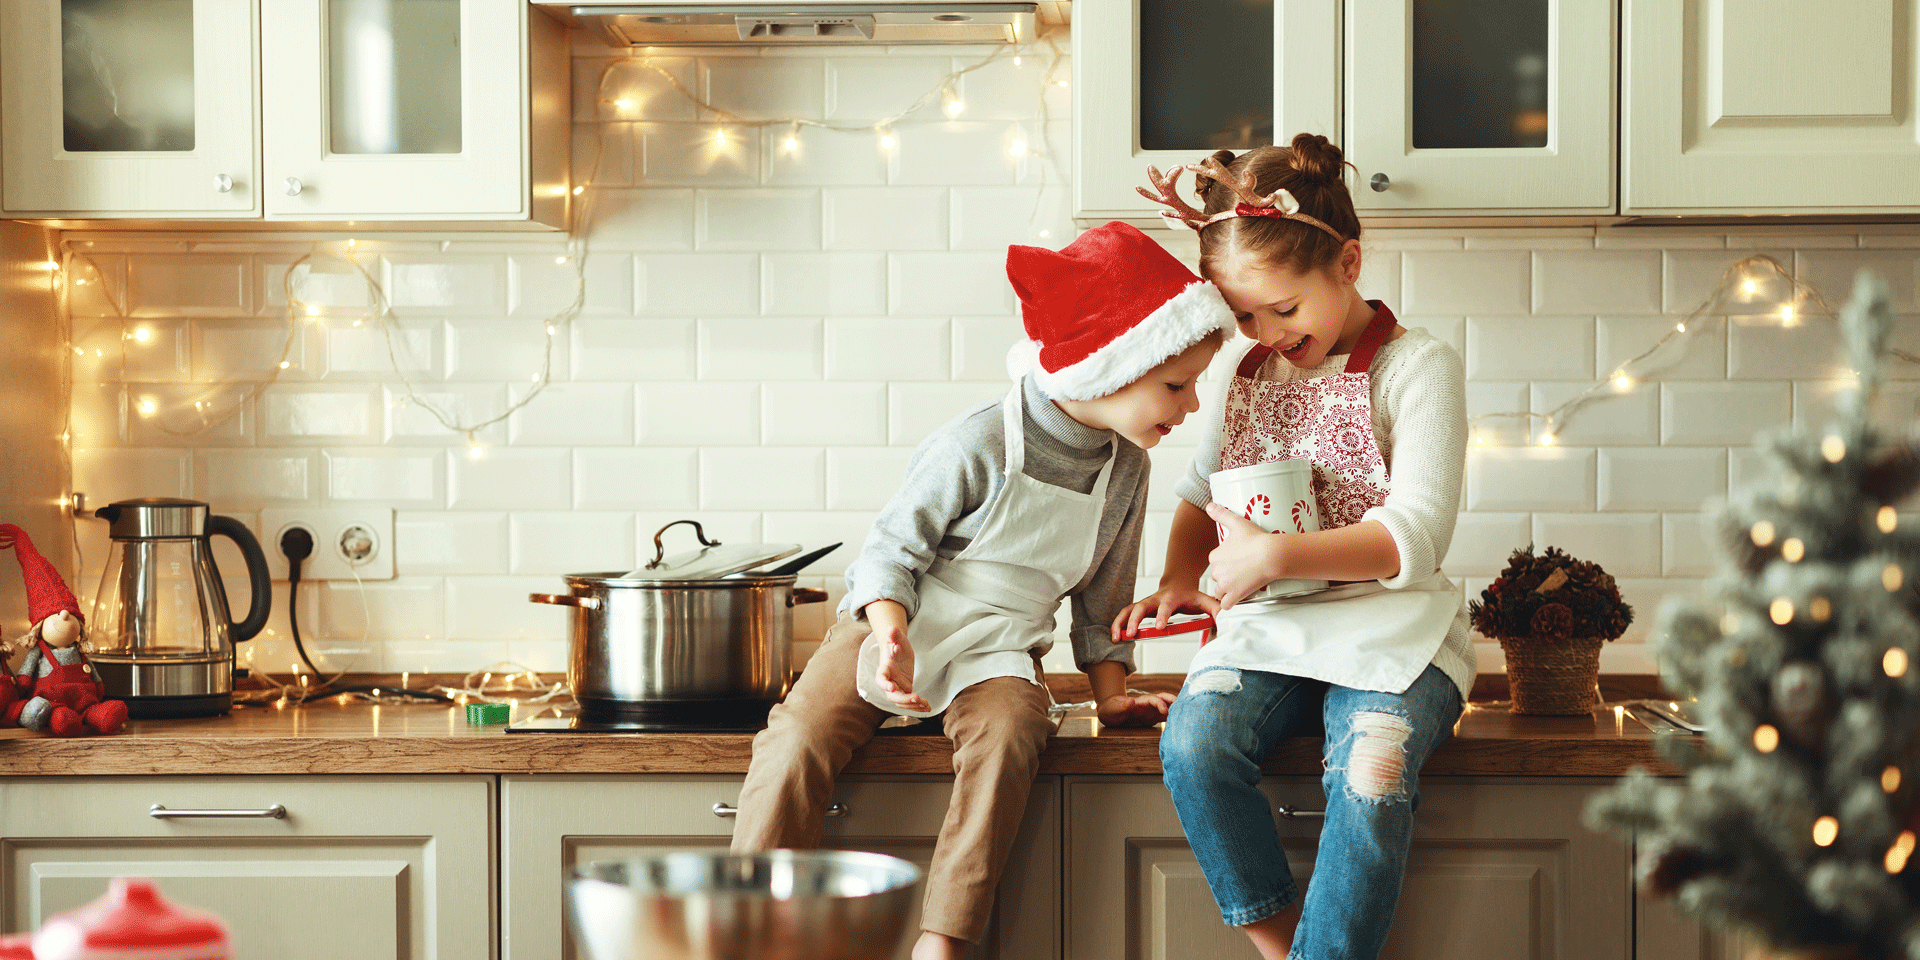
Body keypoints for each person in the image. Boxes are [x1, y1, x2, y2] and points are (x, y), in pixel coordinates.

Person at [730, 220, 1235, 960]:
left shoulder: (1127, 470)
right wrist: (889, 628)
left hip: (1000, 649)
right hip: (897, 621)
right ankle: (752, 924)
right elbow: (891, 550)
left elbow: (1102, 601)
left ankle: (942, 938)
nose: (1190, 406)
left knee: (1010, 736)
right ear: (1106, 366)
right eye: (1175, 384)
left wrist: (1109, 693)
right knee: (798, 738)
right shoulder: (976, 442)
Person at [1115, 133, 1473, 960]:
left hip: (1397, 629)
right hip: (1274, 632)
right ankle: (1288, 948)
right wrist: (1177, 576)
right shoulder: (1246, 375)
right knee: (1196, 746)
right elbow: (1200, 495)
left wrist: (1273, 557)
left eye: (1284, 308)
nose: (1265, 332)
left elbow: (1412, 534)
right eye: (1242, 314)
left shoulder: (1417, 368)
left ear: (1348, 263)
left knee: (1372, 773)